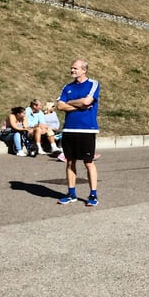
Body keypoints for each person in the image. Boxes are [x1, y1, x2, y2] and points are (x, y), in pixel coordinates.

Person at [56, 59, 101, 207]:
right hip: (69, 129)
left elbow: (87, 102)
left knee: (88, 163)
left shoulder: (93, 84)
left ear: (84, 70)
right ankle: (71, 193)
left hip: (86, 129)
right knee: (70, 162)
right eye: (71, 68)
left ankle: (93, 195)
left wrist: (69, 102)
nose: (72, 71)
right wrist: (77, 105)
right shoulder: (67, 87)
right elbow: (60, 106)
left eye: (75, 68)